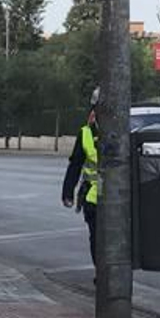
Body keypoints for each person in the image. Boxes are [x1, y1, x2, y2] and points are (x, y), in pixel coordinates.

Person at [61, 105, 100, 277]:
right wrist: (67, 192)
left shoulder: (125, 129)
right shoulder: (86, 133)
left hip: (120, 197)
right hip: (93, 197)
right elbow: (75, 164)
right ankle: (102, 273)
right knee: (97, 238)